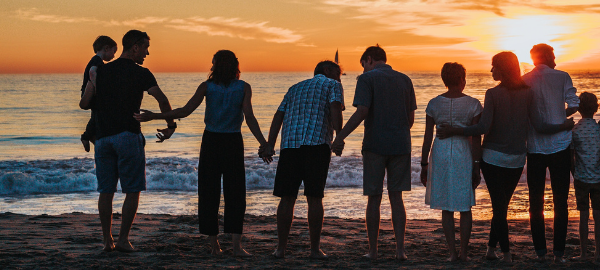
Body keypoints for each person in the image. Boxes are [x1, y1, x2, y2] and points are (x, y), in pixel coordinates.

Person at [436, 52, 572, 263]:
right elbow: (540, 126)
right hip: (517, 160)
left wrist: (454, 130)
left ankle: (507, 254)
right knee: (501, 206)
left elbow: (482, 127)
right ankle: (491, 249)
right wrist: (563, 125)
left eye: (494, 67)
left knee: (499, 208)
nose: (491, 71)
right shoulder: (528, 93)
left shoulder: (492, 94)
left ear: (503, 69)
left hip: (492, 158)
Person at [134, 50, 267, 257]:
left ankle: (215, 246)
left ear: (215, 65)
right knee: (236, 193)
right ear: (235, 65)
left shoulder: (208, 87)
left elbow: (184, 111)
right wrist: (264, 143)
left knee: (208, 192)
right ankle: (237, 247)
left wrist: (156, 116)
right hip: (232, 142)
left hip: (212, 141)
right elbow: (249, 117)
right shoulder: (243, 87)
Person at [79, 30, 176, 253]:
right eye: (145, 48)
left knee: (106, 191)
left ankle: (107, 241)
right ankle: (123, 239)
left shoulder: (101, 71)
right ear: (134, 47)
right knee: (132, 190)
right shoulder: (142, 73)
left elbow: (86, 103)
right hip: (128, 136)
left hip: (103, 138)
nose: (147, 53)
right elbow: (161, 99)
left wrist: (93, 85)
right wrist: (170, 126)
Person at [331, 46, 417, 261]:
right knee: (397, 198)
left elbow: (362, 111)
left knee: (374, 198)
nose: (364, 69)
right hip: (401, 145)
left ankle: (374, 251)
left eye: (364, 65)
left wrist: (340, 136)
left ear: (368, 60)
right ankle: (400, 251)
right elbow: (411, 120)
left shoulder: (366, 79)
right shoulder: (405, 80)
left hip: (375, 144)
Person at [260, 61, 344, 259]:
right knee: (314, 198)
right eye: (338, 73)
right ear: (327, 71)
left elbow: (278, 116)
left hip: (290, 146)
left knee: (287, 198)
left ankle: (280, 249)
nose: (340, 78)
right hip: (317, 145)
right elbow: (335, 108)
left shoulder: (294, 87)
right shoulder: (333, 85)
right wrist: (339, 136)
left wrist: (270, 144)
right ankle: (314, 250)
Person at [521, 43, 580, 263]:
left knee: (535, 201)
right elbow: (574, 104)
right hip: (560, 146)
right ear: (546, 55)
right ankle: (558, 253)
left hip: (534, 147)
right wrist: (561, 114)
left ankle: (540, 253)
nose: (556, 58)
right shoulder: (563, 77)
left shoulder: (525, 80)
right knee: (560, 201)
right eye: (553, 54)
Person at [419, 63, 483, 262]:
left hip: (441, 153)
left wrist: (423, 164)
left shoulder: (434, 104)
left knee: (447, 207)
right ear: (462, 79)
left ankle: (452, 253)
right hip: (464, 153)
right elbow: (477, 137)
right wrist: (477, 165)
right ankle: (464, 253)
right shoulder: (473, 104)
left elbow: (428, 136)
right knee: (465, 206)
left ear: (444, 80)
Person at [570, 92, 600, 261]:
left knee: (584, 216)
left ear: (579, 109)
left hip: (581, 178)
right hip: (598, 177)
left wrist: (575, 173)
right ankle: (598, 253)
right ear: (596, 108)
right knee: (598, 214)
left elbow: (571, 157)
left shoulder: (575, 130)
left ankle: (584, 253)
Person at [81, 35, 118, 152]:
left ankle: (90, 137)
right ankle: (86, 136)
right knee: (96, 115)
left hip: (89, 92)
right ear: (106, 48)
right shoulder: (97, 61)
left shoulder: (95, 60)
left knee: (96, 116)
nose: (114, 55)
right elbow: (92, 72)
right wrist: (97, 88)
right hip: (91, 93)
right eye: (114, 51)